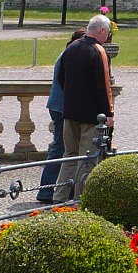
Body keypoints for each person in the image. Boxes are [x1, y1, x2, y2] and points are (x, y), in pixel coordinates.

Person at [52, 14, 114, 201]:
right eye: (107, 33)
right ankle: (81, 200)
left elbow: (61, 79)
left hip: (69, 112)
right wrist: (109, 113)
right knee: (87, 159)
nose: (108, 37)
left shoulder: (71, 49)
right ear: (101, 31)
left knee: (69, 156)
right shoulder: (98, 51)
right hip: (91, 116)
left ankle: (59, 197)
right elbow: (104, 86)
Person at [35, 27, 85, 203]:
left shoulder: (68, 53)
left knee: (64, 148)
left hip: (60, 106)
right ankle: (47, 189)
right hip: (62, 107)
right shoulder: (70, 55)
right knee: (61, 148)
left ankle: (55, 188)